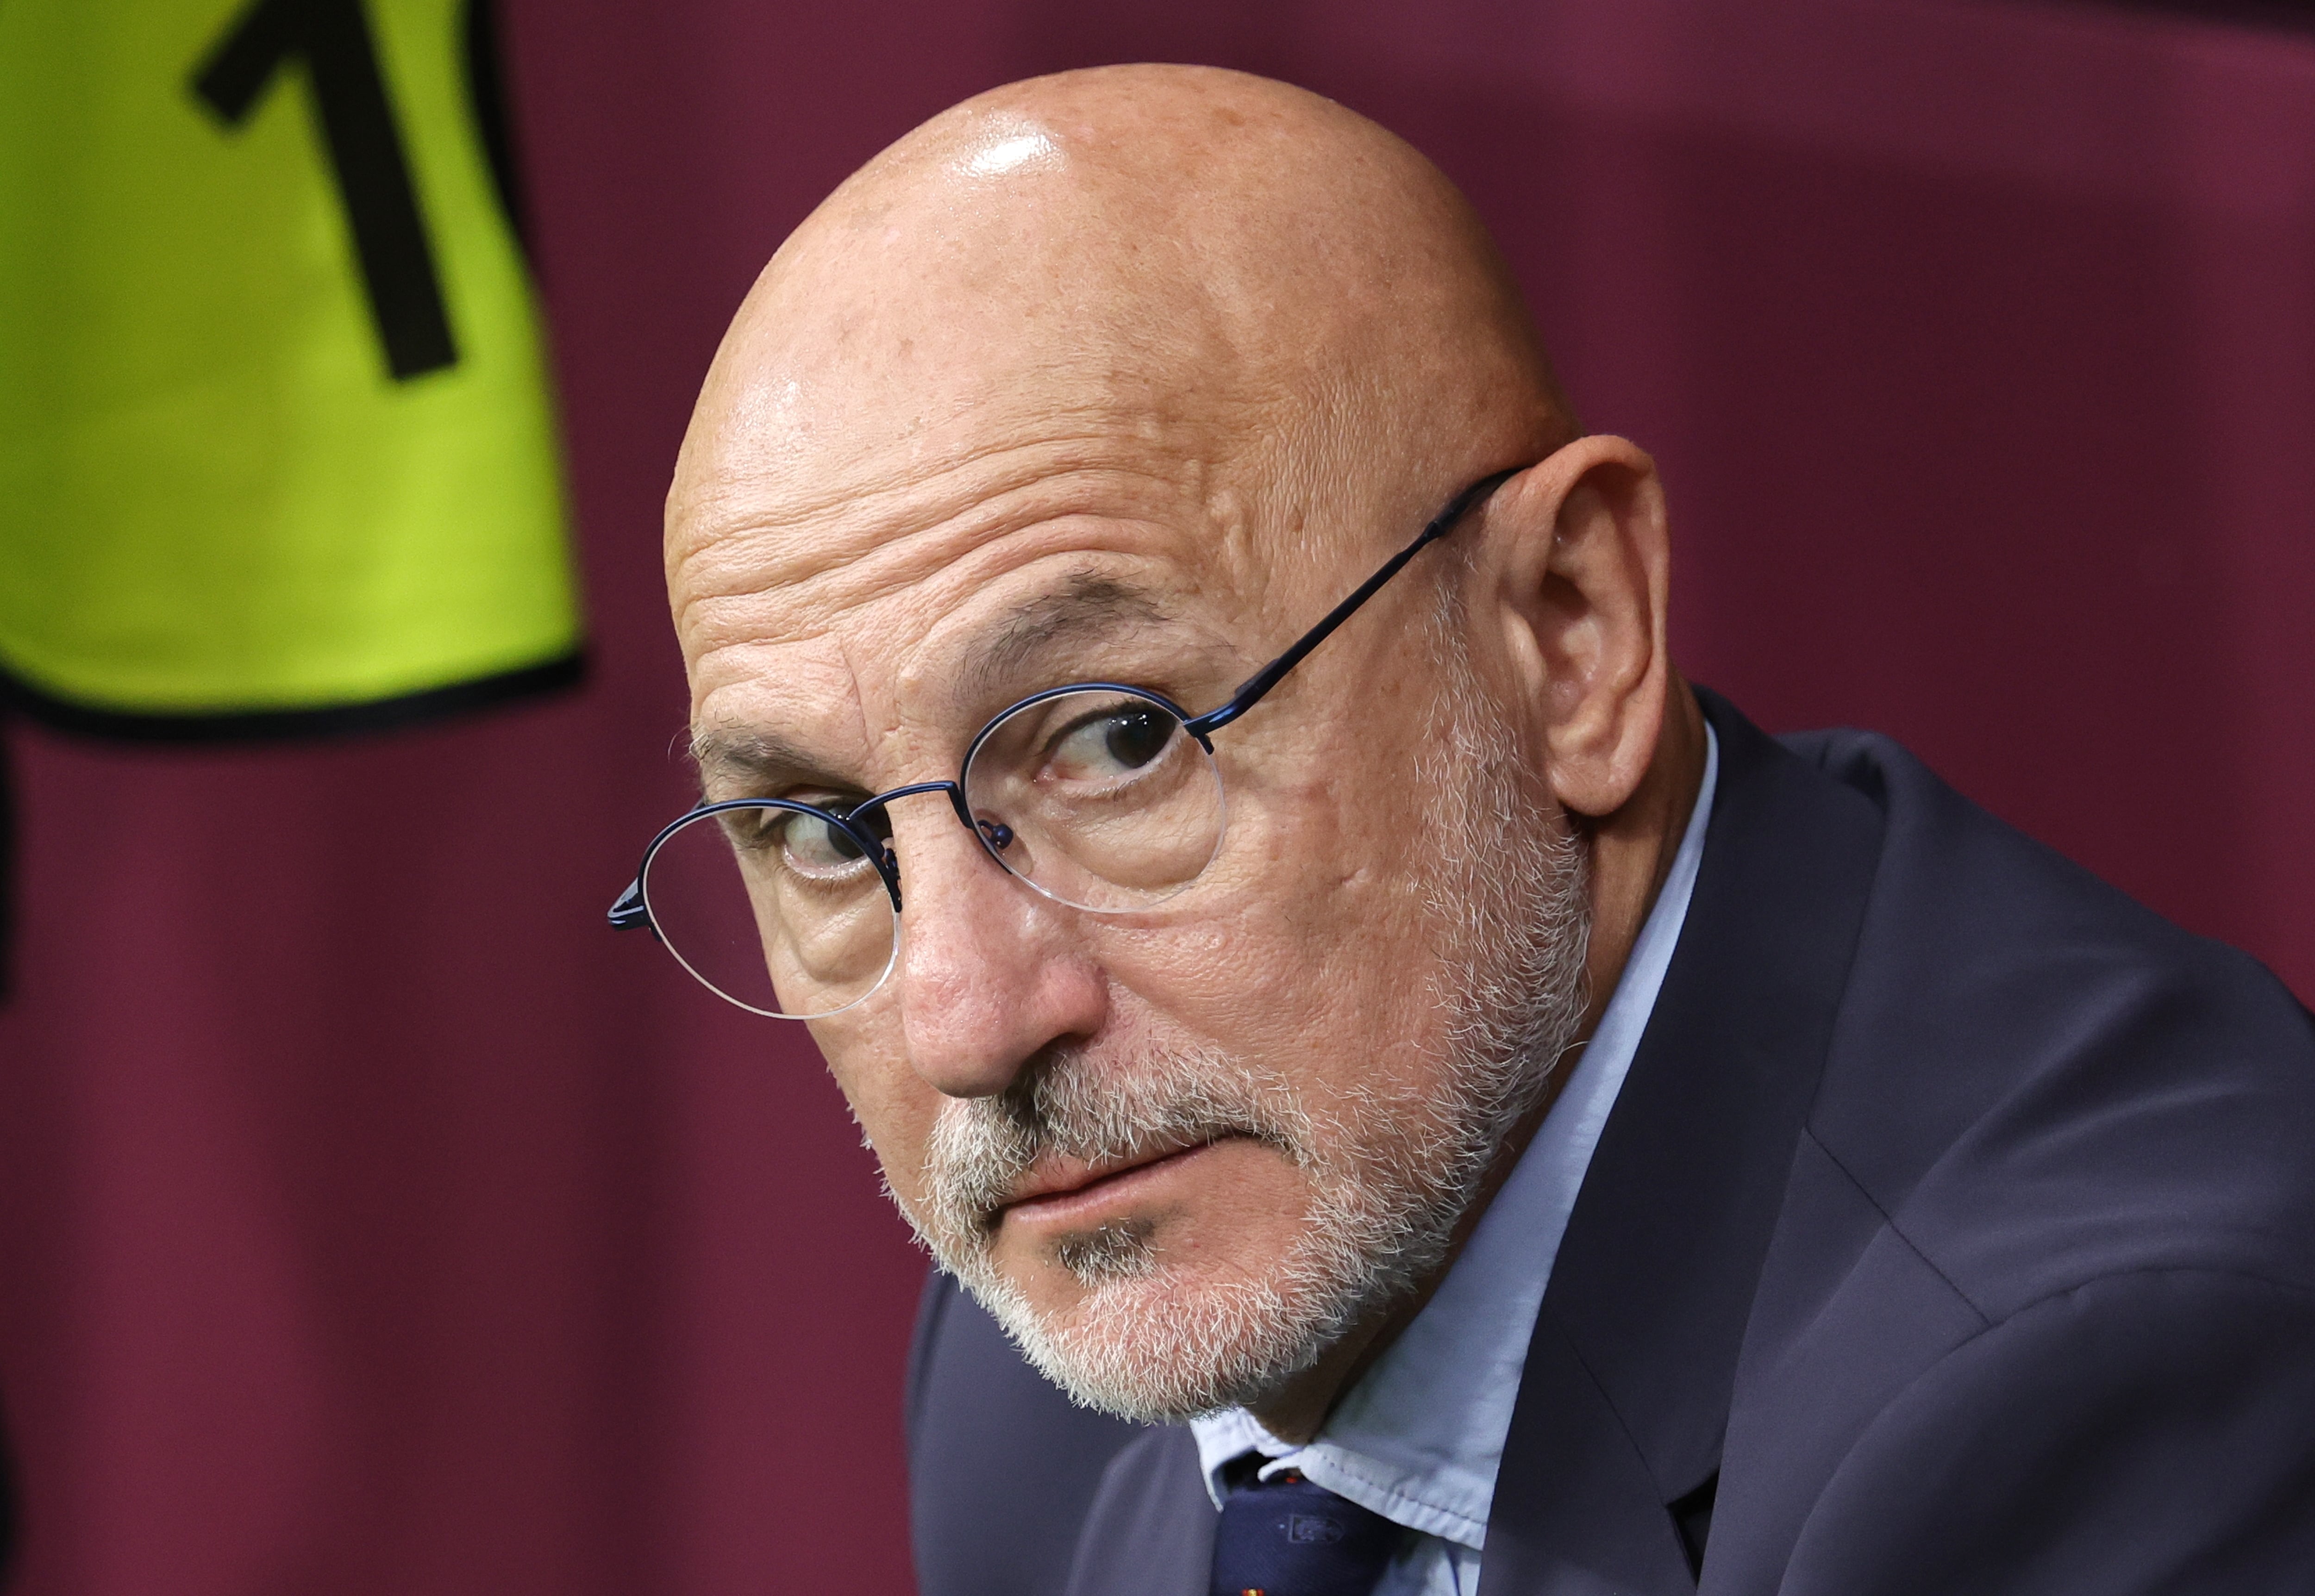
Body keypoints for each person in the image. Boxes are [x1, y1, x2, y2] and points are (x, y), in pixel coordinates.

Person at [623, 64, 2315, 1596]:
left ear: (1569, 636)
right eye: (833, 833)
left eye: (1122, 742)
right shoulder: (1056, 1346)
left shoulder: (2103, 1390)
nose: (969, 1024)